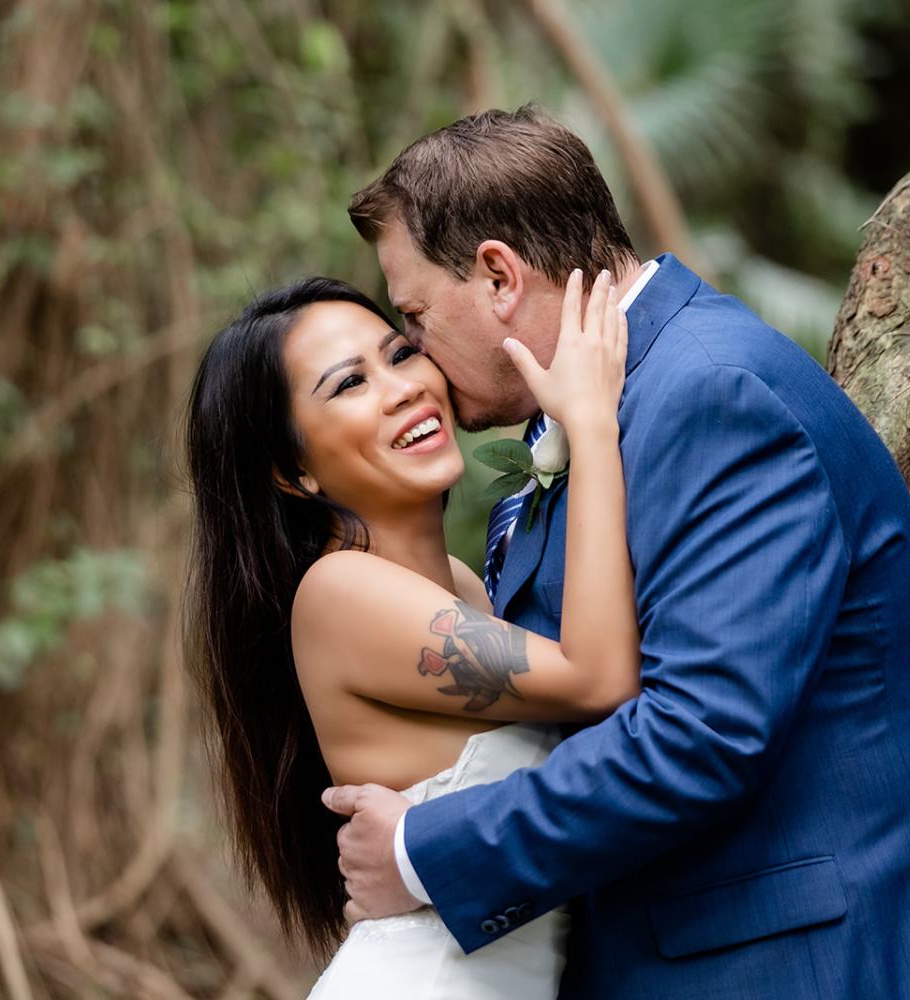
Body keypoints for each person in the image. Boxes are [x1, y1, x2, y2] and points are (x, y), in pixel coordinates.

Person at [323, 105, 910, 999]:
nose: (417, 354)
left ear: (498, 275)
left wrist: (422, 852)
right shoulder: (599, 411)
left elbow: (702, 732)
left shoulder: (713, 396)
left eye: (416, 313)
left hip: (810, 965)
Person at [185, 268, 640, 998]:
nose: (402, 388)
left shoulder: (459, 584)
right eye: (348, 384)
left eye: (399, 354)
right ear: (292, 471)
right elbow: (595, 678)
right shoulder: (339, 592)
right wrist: (588, 425)